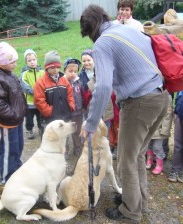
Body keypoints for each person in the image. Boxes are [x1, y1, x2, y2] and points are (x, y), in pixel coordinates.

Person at [80, 4, 169, 223]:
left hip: (140, 102)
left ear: (90, 30)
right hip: (161, 95)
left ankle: (130, 212)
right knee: (137, 154)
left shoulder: (102, 43)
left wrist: (90, 125)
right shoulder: (129, 28)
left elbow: (102, 87)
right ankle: (138, 200)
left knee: (126, 161)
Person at [0, 42, 27, 185]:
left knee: (18, 146)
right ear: (3, 62)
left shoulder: (8, 74)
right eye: (12, 62)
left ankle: (16, 169)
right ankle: (6, 178)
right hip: (9, 122)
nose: (15, 64)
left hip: (16, 120)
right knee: (9, 150)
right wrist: (14, 115)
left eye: (15, 61)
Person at [34, 50, 75, 138]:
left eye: (57, 67)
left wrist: (70, 105)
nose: (55, 70)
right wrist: (49, 111)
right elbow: (39, 101)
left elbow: (70, 94)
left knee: (64, 138)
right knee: (52, 139)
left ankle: (65, 151)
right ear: (46, 68)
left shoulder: (63, 80)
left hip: (65, 116)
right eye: (52, 67)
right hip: (51, 119)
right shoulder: (41, 82)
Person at [20, 49, 44, 139]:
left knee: (41, 117)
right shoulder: (24, 74)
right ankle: (29, 130)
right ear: (26, 62)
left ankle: (41, 128)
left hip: (40, 101)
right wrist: (33, 91)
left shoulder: (42, 72)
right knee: (29, 118)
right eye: (29, 60)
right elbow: (23, 84)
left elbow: (45, 83)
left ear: (36, 60)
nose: (32, 62)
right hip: (29, 102)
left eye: (34, 60)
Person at [146, 94, 173, 175]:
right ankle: (149, 160)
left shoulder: (167, 97)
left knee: (157, 147)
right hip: (149, 127)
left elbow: (168, 115)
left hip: (159, 128)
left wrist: (164, 130)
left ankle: (159, 164)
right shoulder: (149, 94)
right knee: (148, 145)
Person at [63, 58, 82, 160]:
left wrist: (82, 106)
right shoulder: (62, 82)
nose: (73, 74)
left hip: (78, 111)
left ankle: (78, 147)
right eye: (70, 71)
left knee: (77, 130)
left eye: (75, 71)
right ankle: (65, 150)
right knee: (65, 131)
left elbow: (82, 95)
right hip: (65, 112)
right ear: (64, 70)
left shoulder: (78, 82)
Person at [168, 91, 183, 183]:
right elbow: (178, 95)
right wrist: (175, 112)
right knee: (178, 145)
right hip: (179, 113)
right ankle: (175, 170)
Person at [79, 49, 94, 120]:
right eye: (84, 61)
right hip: (88, 106)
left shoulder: (100, 72)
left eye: (88, 60)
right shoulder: (81, 75)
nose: (86, 63)